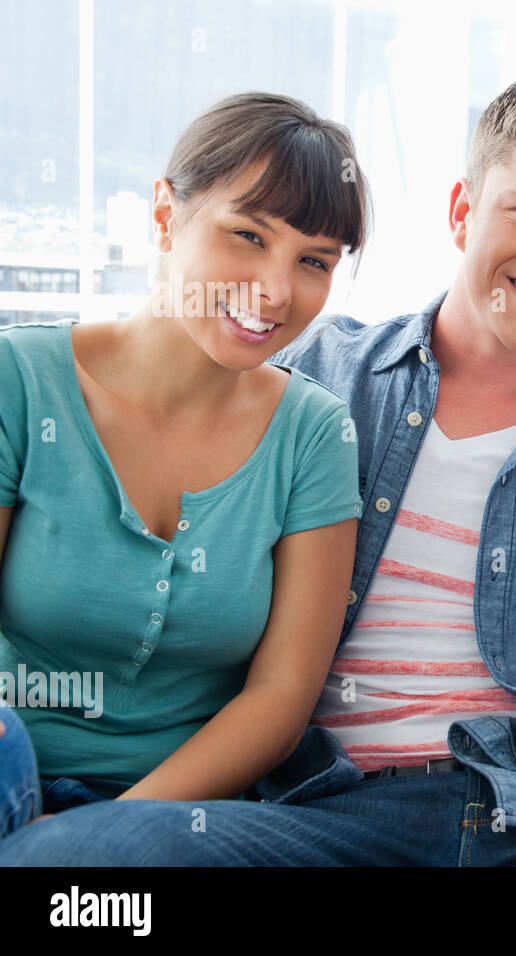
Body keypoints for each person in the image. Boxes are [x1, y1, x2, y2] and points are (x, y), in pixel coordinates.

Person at [0, 67, 516, 866]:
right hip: (334, 814)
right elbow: (167, 363)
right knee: (82, 861)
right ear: (463, 210)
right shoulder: (308, 377)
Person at [0, 92, 368, 838]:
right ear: (166, 215)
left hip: (182, 824)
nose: (275, 290)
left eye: (314, 261)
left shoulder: (315, 436)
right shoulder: (19, 379)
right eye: (247, 235)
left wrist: (104, 833)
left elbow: (281, 696)